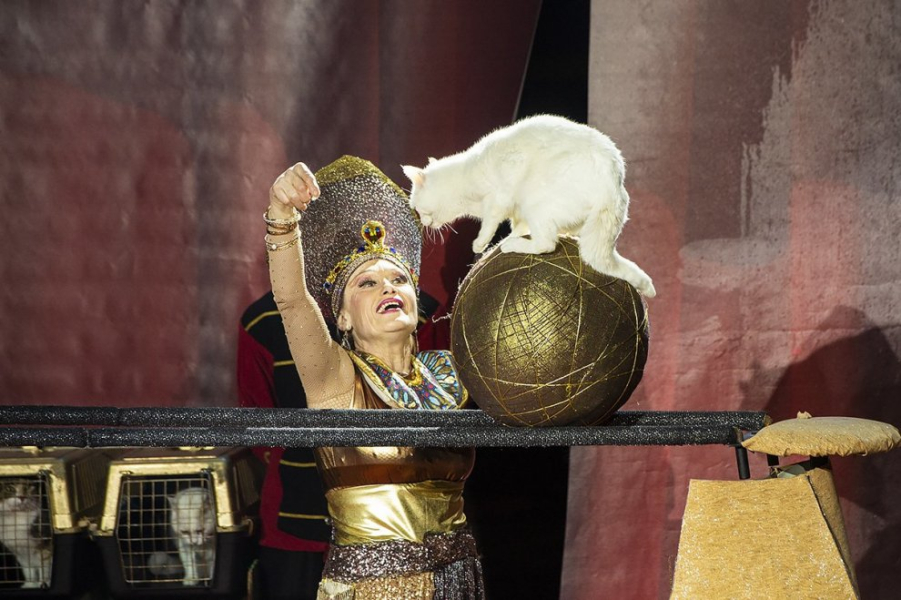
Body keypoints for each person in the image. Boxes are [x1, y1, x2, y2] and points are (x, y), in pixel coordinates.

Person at [264, 156, 484, 599]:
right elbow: (292, 301)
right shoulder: (335, 379)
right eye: (367, 283)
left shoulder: (450, 371)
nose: (388, 287)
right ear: (342, 317)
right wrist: (281, 216)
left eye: (399, 279)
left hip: (458, 580)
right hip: (374, 588)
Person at [237, 291, 330, 600]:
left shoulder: (406, 307)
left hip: (386, 514)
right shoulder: (262, 320)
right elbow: (258, 418)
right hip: (295, 507)